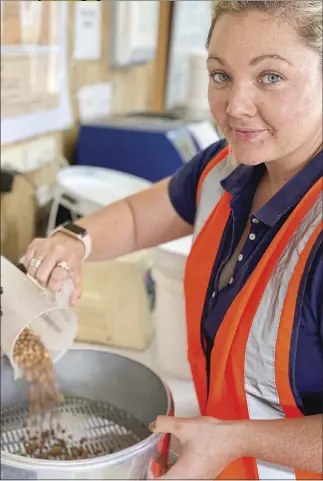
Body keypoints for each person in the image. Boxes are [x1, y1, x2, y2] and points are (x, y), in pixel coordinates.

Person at [22, 1, 322, 479]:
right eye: (220, 75)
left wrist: (236, 438)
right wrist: (74, 239)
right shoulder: (226, 166)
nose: (236, 106)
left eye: (270, 77)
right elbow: (140, 219)